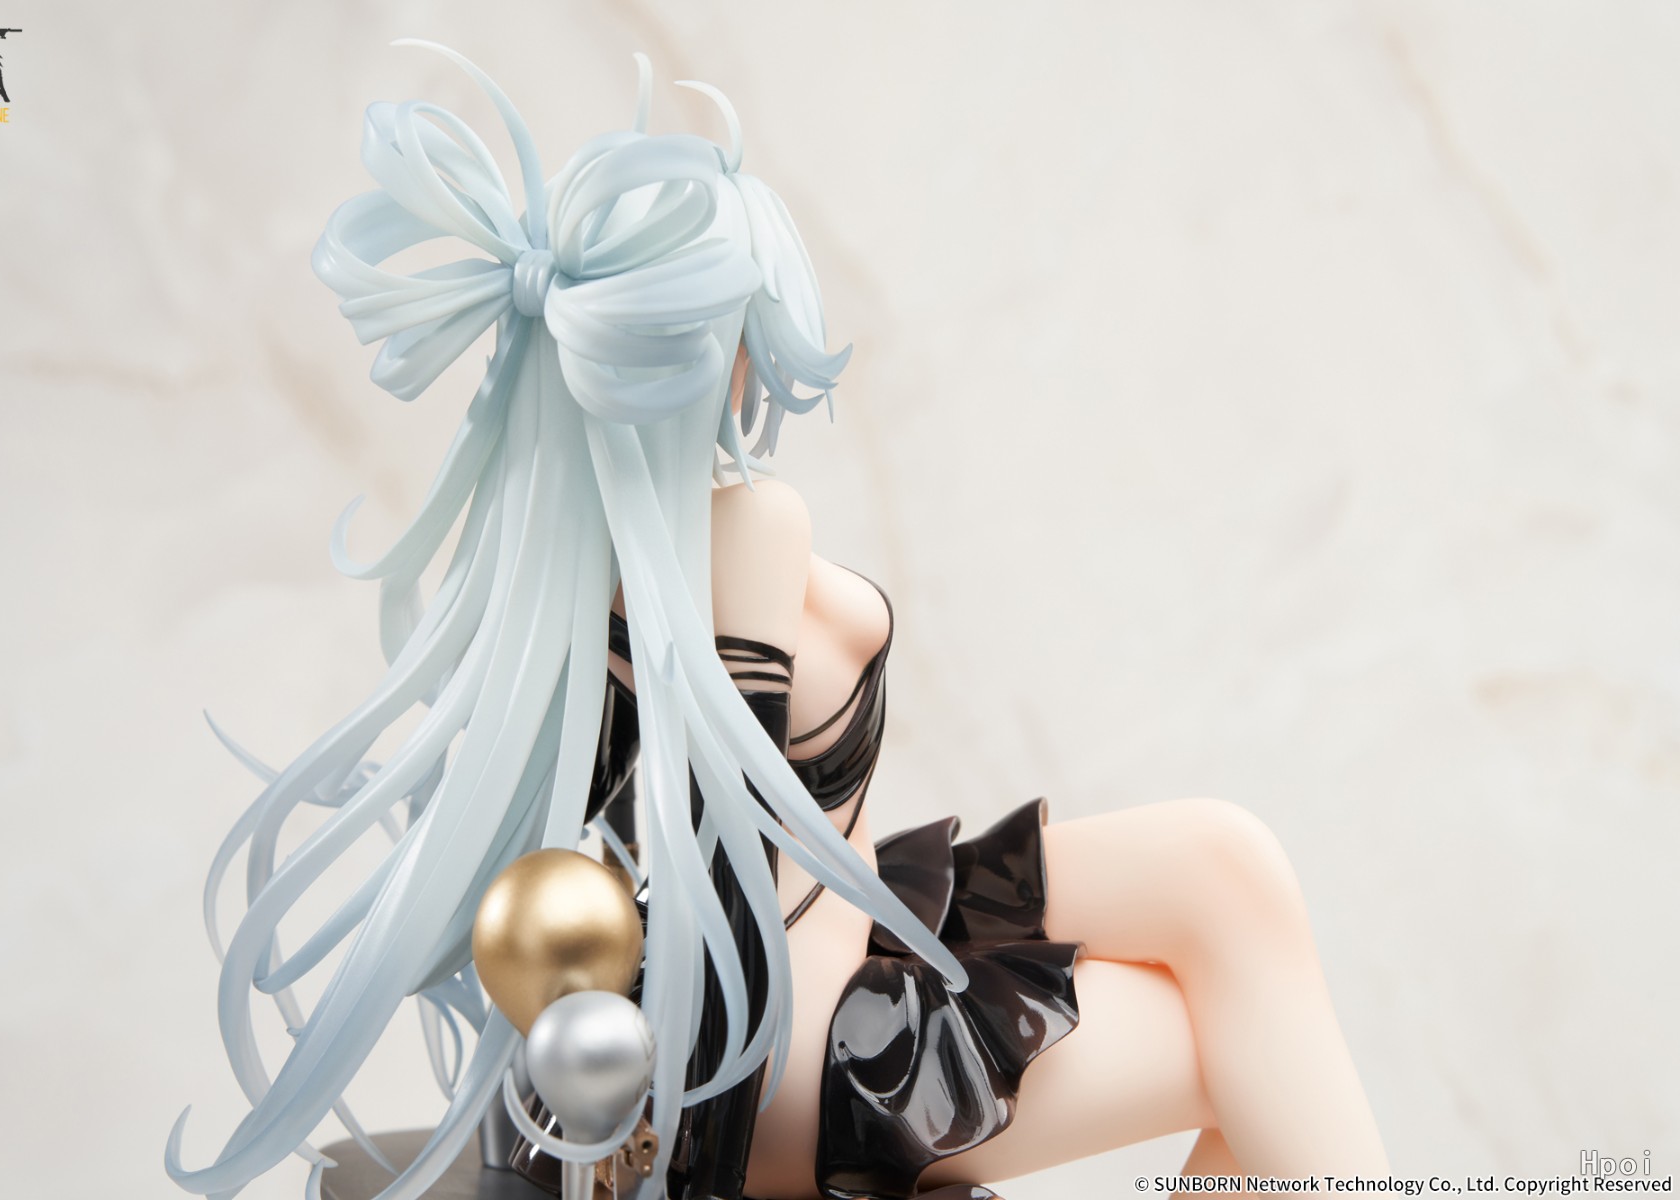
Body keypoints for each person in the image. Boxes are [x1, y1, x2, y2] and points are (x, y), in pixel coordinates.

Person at [166, 42, 1387, 1200]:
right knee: (1234, 1035)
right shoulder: (749, 529)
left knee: (1222, 861)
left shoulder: (576, 554)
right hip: (788, 1057)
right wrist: (698, 1167)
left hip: (818, 947)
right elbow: (725, 878)